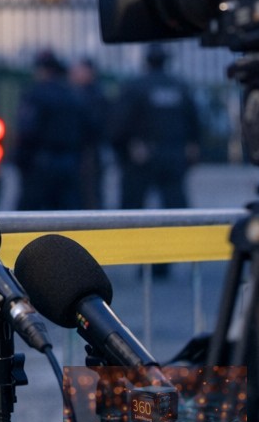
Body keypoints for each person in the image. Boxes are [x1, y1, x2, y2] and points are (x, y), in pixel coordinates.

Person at [111, 43, 201, 276]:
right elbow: (195, 122)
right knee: (171, 210)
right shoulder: (179, 86)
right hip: (173, 155)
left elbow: (119, 124)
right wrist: (191, 147)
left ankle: (145, 260)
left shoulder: (136, 86)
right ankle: (164, 261)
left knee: (138, 211)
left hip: (144, 157)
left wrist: (125, 149)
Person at [15, 49, 87, 210]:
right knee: (66, 217)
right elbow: (86, 129)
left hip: (41, 163)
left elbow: (27, 131)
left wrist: (21, 160)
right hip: (69, 162)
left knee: (30, 218)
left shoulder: (35, 95)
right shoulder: (72, 95)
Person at [69, 57, 111, 210]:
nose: (73, 74)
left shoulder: (94, 96)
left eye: (78, 70)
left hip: (89, 152)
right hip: (81, 152)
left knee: (90, 193)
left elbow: (97, 125)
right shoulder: (78, 93)